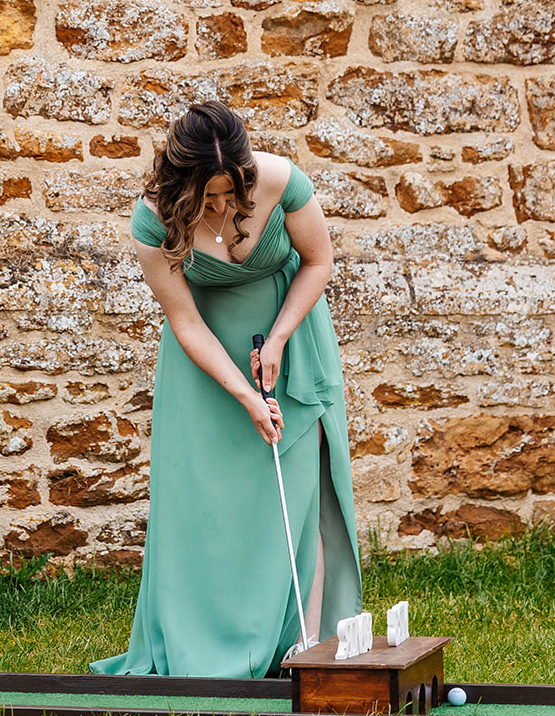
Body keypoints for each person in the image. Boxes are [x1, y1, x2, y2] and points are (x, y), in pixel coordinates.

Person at [92, 101, 362, 679]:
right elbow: (184, 322)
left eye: (229, 194)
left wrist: (282, 338)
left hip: (289, 340)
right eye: (206, 199)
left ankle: (303, 645)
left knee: (300, 493)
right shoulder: (152, 220)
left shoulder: (282, 180)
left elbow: (319, 260)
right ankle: (208, 640)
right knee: (208, 505)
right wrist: (244, 394)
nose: (220, 208)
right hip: (205, 364)